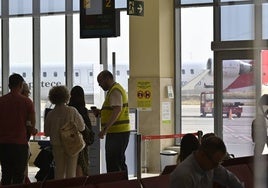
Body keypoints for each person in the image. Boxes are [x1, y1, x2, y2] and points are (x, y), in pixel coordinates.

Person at [0, 73, 36, 185]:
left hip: (3, 145)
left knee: (6, 175)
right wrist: (33, 130)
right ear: (21, 85)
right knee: (18, 177)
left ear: (9, 85)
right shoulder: (27, 102)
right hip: (20, 145)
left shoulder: (1, 101)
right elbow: (31, 125)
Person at [93, 70, 130, 174]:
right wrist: (101, 112)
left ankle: (118, 184)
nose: (99, 84)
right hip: (118, 132)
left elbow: (117, 110)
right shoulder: (114, 90)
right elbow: (113, 110)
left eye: (100, 81)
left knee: (115, 163)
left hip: (117, 133)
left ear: (107, 79)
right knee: (117, 161)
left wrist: (105, 129)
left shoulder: (115, 91)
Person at [170, 136, 244, 188]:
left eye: (219, 163)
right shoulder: (183, 176)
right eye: (215, 163)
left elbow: (229, 178)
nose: (216, 167)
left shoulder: (210, 165)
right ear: (202, 154)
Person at [44, 86, 85, 179]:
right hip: (72, 144)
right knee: (71, 172)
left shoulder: (50, 114)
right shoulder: (72, 111)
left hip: (57, 146)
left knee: (59, 172)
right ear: (67, 96)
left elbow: (46, 132)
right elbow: (82, 127)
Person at [68, 85, 94, 176]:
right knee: (81, 164)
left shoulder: (68, 109)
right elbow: (85, 127)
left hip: (68, 142)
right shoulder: (82, 110)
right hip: (80, 142)